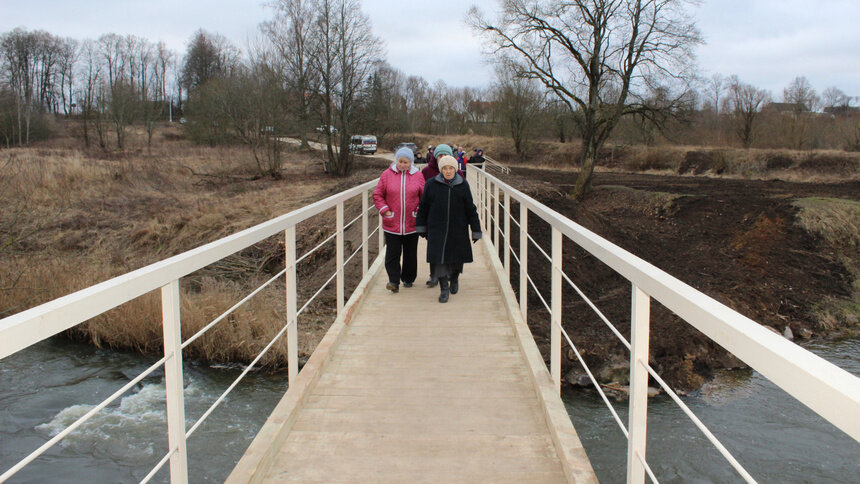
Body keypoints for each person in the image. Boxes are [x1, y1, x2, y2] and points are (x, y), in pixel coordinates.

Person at [416, 155, 482, 303]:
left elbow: (471, 209)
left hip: (458, 228)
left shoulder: (463, 185)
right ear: (440, 170)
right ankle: (444, 287)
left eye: (451, 168)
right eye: (444, 168)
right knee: (439, 259)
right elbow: (423, 207)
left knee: (457, 259)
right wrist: (421, 226)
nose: (448, 171)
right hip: (436, 228)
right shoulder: (431, 184)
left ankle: (455, 278)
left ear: (455, 169)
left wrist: (476, 229)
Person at [373, 147, 426, 293]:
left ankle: (408, 278)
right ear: (396, 161)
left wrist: (418, 211)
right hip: (392, 222)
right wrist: (385, 210)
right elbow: (378, 195)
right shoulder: (386, 175)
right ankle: (393, 281)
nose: (403, 164)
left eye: (406, 162)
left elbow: (425, 197)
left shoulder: (418, 176)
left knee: (410, 253)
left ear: (411, 162)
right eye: (400, 161)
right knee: (392, 253)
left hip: (411, 222)